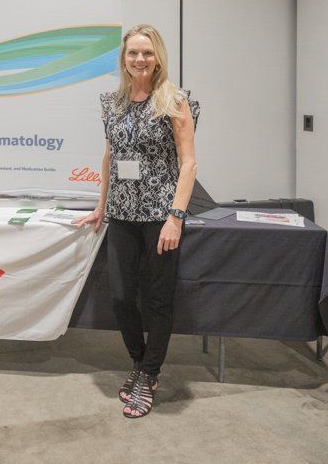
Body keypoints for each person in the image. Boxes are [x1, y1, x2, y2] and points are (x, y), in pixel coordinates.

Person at [75, 24, 198, 418]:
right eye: (133, 53)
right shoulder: (112, 103)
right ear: (123, 58)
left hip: (161, 215)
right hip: (123, 214)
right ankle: (140, 363)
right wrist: (101, 205)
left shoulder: (174, 101)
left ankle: (149, 374)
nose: (140, 59)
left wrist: (176, 217)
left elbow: (188, 163)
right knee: (122, 297)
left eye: (147, 52)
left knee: (158, 299)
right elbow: (109, 157)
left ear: (157, 57)